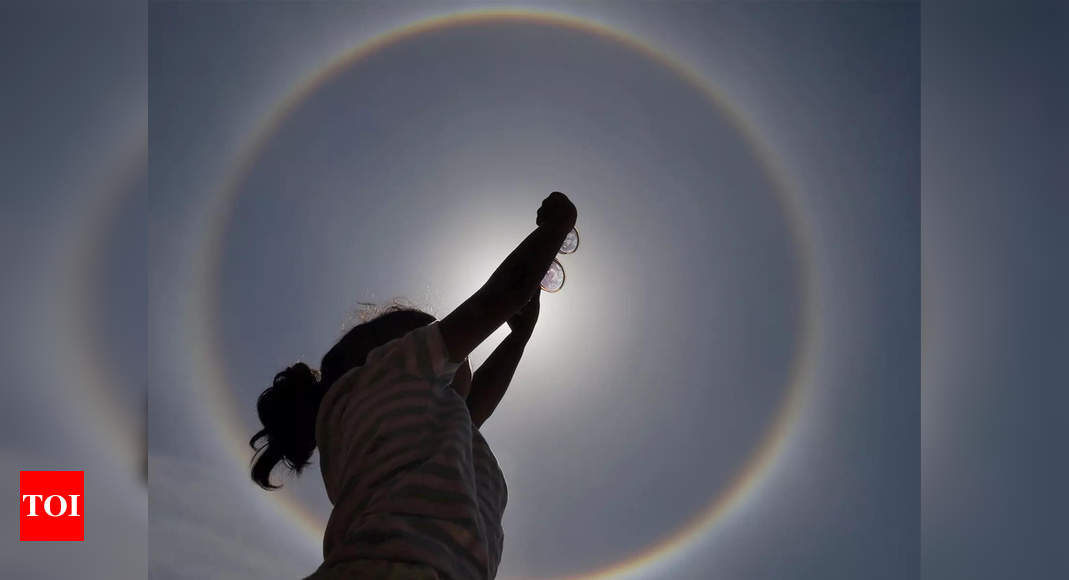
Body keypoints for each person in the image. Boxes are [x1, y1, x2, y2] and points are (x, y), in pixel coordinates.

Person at [249, 192, 578, 579]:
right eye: (438, 334)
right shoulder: (388, 372)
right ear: (390, 350)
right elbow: (499, 297)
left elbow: (472, 411)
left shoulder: (398, 421)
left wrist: (518, 338)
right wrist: (557, 228)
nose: (459, 353)